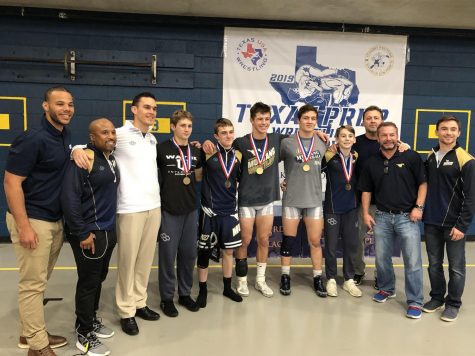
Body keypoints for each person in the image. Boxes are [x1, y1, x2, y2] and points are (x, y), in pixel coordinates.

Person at [72, 92, 162, 335]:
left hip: (153, 207)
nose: (151, 112)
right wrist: (75, 151)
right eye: (146, 107)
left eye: (154, 108)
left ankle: (140, 302)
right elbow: (87, 146)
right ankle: (126, 311)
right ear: (134, 110)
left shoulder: (152, 138)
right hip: (129, 209)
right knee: (128, 263)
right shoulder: (119, 134)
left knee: (144, 262)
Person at [4, 86, 77, 356]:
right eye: (59, 104)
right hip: (33, 220)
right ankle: (37, 346)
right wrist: (24, 226)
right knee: (32, 284)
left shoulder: (63, 135)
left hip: (53, 219)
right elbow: (11, 183)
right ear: (45, 106)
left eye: (69, 104)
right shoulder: (32, 138)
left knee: (39, 281)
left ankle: (29, 333)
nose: (66, 108)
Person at [61, 118, 119, 356]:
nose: (111, 136)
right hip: (90, 233)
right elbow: (69, 198)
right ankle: (84, 335)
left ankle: (89, 319)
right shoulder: (85, 158)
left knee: (99, 277)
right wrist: (82, 232)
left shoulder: (111, 158)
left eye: (113, 132)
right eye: (104, 133)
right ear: (92, 137)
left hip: (107, 231)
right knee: (88, 282)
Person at [359, 122, 426, 319]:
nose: (388, 138)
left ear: (397, 136)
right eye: (384, 135)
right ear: (378, 138)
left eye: (391, 135)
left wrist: (418, 207)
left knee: (412, 261)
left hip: (408, 217)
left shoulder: (411, 156)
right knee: (381, 258)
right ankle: (387, 289)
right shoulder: (372, 162)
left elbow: (423, 184)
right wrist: (365, 213)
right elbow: (366, 190)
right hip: (381, 216)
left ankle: (415, 301)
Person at [422, 115, 475, 322]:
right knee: (434, 264)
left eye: (453, 129)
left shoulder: (466, 159)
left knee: (456, 267)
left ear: (459, 133)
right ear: (437, 132)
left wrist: (462, 225)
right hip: (432, 222)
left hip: (454, 225)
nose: (448, 133)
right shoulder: (431, 155)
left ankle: (453, 303)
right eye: (444, 129)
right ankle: (437, 298)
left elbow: (471, 198)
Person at [157, 109, 203, 317]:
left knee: (189, 255)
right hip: (169, 210)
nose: (186, 130)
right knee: (168, 256)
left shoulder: (196, 152)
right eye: (182, 125)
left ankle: (184, 293)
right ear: (172, 127)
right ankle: (167, 298)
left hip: (190, 210)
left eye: (189, 126)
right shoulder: (160, 149)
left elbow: (199, 177)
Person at [279, 104, 327, 297]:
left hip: (314, 199)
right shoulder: (287, 143)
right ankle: (285, 276)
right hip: (292, 198)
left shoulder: (323, 142)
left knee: (315, 241)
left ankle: (317, 278)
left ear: (316, 121)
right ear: (298, 120)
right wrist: (281, 181)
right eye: (305, 118)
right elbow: (269, 161)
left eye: (313, 118)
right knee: (288, 241)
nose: (309, 121)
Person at [196, 118, 243, 307]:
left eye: (231, 132)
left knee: (229, 252)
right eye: (223, 132)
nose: (228, 136)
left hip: (230, 212)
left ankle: (227, 287)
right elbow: (198, 177)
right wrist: (200, 146)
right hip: (210, 212)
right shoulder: (207, 152)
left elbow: (240, 179)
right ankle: (203, 290)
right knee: (204, 252)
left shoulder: (239, 155)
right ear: (216, 136)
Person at [322, 125, 362, 297]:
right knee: (331, 245)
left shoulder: (357, 157)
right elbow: (311, 172)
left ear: (354, 139)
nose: (346, 139)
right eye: (343, 136)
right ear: (337, 139)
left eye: (350, 136)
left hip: (352, 208)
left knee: (351, 245)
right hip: (332, 207)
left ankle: (348, 280)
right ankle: (330, 278)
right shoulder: (329, 156)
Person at [352, 105, 383, 286]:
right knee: (357, 240)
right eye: (369, 118)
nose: (372, 121)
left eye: (376, 118)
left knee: (382, 242)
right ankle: (358, 271)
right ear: (363, 121)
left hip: (383, 202)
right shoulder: (354, 142)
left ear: (381, 120)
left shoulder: (390, 142)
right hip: (359, 201)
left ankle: (381, 274)